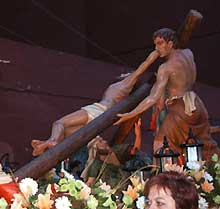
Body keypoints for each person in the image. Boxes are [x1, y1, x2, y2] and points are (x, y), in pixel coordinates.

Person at [115, 28, 220, 161]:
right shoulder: (188, 53)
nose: (156, 48)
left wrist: (130, 114)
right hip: (197, 105)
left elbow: (152, 98)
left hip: (180, 108)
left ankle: (168, 178)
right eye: (155, 45)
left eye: (160, 43)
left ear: (170, 44)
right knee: (205, 143)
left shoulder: (165, 68)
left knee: (161, 144)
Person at [31, 50, 159, 156]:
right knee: (65, 133)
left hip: (98, 110)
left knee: (59, 123)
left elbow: (144, 65)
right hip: (100, 114)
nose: (126, 73)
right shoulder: (118, 88)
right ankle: (46, 144)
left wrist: (157, 51)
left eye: (128, 74)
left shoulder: (124, 84)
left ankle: (51, 141)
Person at [81, 118, 151, 187]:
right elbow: (90, 182)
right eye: (100, 142)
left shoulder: (116, 150)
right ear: (95, 148)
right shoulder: (96, 164)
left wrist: (138, 135)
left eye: (103, 140)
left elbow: (134, 150)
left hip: (126, 182)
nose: (105, 142)